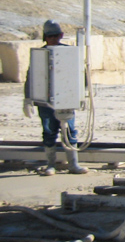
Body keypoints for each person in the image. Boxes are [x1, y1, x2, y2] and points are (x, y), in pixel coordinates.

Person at [23, 20, 88, 176]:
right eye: (49, 36)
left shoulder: (70, 53)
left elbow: (80, 75)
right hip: (45, 102)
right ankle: (50, 164)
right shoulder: (40, 55)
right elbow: (31, 77)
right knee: (49, 131)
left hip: (66, 99)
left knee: (70, 131)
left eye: (55, 36)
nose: (52, 39)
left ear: (61, 35)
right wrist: (27, 99)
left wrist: (81, 95)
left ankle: (73, 164)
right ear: (45, 37)